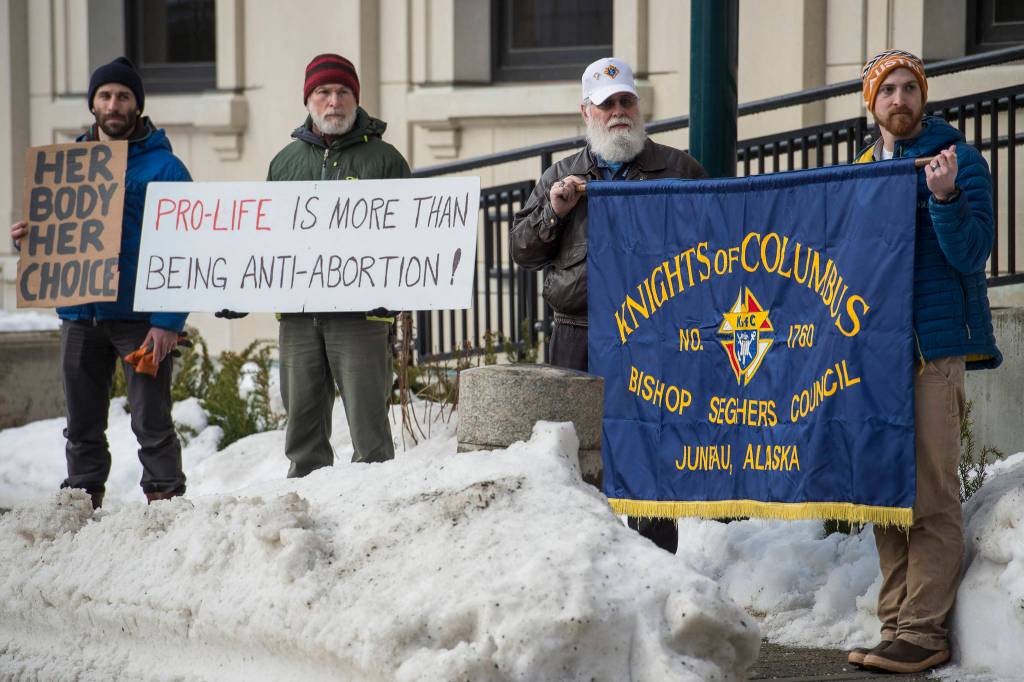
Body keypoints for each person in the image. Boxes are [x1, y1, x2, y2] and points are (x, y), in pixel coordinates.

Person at [510, 58, 707, 554]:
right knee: (573, 452)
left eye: (626, 101)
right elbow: (521, 251)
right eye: (606, 105)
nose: (618, 112)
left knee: (652, 449)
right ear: (586, 112)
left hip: (654, 334)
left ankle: (657, 567)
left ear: (638, 106)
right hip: (577, 332)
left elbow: (716, 243)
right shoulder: (561, 175)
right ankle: (582, 562)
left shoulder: (679, 169)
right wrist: (554, 212)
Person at [845, 49, 1001, 675]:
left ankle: (924, 630)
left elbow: (972, 253)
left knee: (932, 494)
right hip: (873, 355)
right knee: (883, 492)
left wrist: (943, 197)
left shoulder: (959, 161)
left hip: (931, 351)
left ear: (923, 97)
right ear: (872, 104)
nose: (901, 100)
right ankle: (894, 623)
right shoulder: (858, 171)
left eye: (911, 88)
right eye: (889, 90)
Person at [9, 57, 192, 509]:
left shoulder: (166, 168)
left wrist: (168, 321)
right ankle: (81, 502)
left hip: (139, 320)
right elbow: (62, 234)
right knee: (82, 422)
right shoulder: (67, 168)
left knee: (152, 419)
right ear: (93, 103)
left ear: (137, 105)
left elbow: (187, 249)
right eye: (106, 95)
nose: (114, 104)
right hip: (80, 315)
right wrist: (33, 243)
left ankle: (165, 502)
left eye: (123, 96)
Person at [264, 53, 410, 478]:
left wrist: (394, 296)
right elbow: (264, 238)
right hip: (298, 318)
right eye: (323, 92)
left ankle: (374, 516)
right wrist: (242, 290)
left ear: (356, 98)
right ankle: (301, 518)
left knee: (370, 433)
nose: (334, 102)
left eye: (343, 91)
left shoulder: (385, 161)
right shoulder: (284, 163)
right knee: (302, 434)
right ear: (308, 100)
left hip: (362, 318)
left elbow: (408, 238)